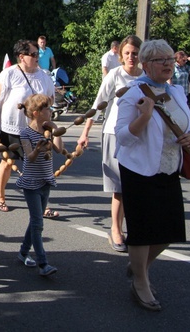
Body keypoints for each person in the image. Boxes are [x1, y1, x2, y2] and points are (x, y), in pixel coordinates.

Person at [115, 39, 190, 312]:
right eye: (161, 60)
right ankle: (141, 282)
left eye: (171, 59)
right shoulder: (132, 93)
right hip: (139, 170)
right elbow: (123, 138)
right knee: (143, 231)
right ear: (146, 64)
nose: (168, 64)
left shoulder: (176, 91)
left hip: (169, 168)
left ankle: (139, 268)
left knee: (169, 230)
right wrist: (145, 115)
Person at [77, 35, 143, 252]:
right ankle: (116, 229)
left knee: (136, 186)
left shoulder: (145, 77)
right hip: (114, 133)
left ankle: (134, 228)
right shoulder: (115, 75)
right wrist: (85, 133)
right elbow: (97, 105)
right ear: (120, 55)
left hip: (140, 135)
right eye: (127, 53)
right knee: (119, 186)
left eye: (135, 53)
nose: (131, 57)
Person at [0, 40, 54, 213]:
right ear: (21, 57)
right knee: (7, 162)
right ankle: (0, 197)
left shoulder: (44, 76)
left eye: (37, 54)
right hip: (12, 128)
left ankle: (41, 203)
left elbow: (50, 100)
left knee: (37, 165)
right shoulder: (8, 74)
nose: (36, 57)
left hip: (35, 130)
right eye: (32, 54)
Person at [16, 93, 61, 277]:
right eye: (47, 109)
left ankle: (23, 252)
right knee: (37, 222)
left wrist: (55, 129)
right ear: (36, 113)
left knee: (35, 221)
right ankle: (43, 263)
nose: (50, 111)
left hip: (45, 181)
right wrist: (38, 147)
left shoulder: (48, 130)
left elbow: (58, 148)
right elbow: (30, 157)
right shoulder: (25, 133)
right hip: (31, 182)